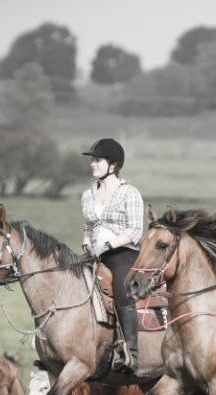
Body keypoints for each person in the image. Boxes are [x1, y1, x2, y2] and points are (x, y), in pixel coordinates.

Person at [80, 138, 143, 372]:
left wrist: (107, 244)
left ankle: (131, 353)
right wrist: (87, 241)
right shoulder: (87, 194)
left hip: (122, 254)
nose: (92, 165)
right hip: (94, 255)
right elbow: (87, 225)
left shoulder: (130, 193)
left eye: (97, 160)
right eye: (92, 161)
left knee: (121, 289)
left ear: (113, 166)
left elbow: (135, 230)